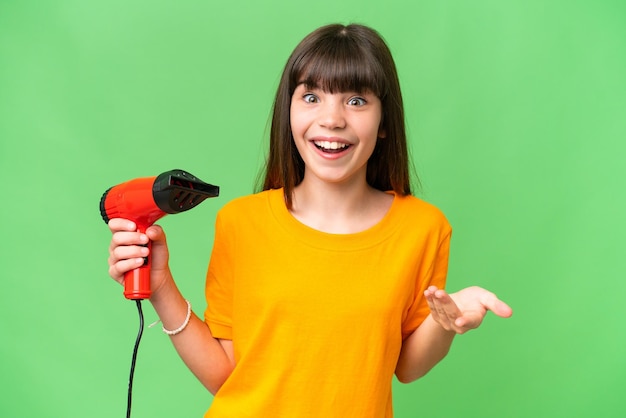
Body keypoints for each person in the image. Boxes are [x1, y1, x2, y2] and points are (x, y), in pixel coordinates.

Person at [107, 23, 513, 417]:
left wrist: (448, 322)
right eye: (311, 97)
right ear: (289, 112)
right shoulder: (241, 222)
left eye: (356, 100)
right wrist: (160, 286)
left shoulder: (423, 228)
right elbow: (225, 375)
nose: (332, 119)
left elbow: (407, 367)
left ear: (384, 121)